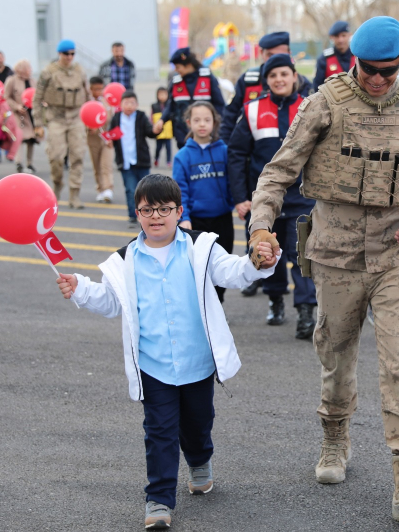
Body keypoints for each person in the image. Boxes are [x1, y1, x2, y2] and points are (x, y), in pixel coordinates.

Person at [247, 16, 399, 526]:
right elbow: (277, 172)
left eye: (388, 71)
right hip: (336, 254)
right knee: (336, 358)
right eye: (369, 70)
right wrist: (259, 229)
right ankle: (334, 438)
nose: (378, 80)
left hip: (395, 255)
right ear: (354, 61)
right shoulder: (325, 103)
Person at [55, 174, 278, 530]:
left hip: (198, 361)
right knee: (159, 430)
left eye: (164, 209)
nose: (156, 216)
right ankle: (158, 499)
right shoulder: (125, 259)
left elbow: (234, 272)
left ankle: (200, 458)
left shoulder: (200, 248)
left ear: (179, 212)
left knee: (198, 422)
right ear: (137, 212)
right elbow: (113, 302)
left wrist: (258, 261)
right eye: (147, 209)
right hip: (153, 364)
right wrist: (79, 288)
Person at [228, 54, 317, 339]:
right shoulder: (252, 110)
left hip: (303, 199)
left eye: (284, 74)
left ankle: (306, 312)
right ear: (266, 81)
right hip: (265, 202)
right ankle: (275, 300)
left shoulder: (311, 107)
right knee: (268, 253)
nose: (279, 79)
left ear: (294, 76)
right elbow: (237, 155)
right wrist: (242, 197)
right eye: (273, 75)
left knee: (303, 255)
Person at [172, 101, 233, 303]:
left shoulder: (224, 151)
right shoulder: (183, 156)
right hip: (196, 222)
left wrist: (238, 203)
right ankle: (202, 305)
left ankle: (218, 303)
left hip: (222, 219)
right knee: (199, 267)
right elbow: (180, 190)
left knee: (222, 265)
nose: (202, 124)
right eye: (197, 120)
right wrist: (184, 217)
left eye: (207, 120)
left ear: (214, 122)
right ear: (189, 123)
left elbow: (234, 181)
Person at [219, 32, 313, 142]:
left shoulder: (302, 84)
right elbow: (229, 119)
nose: (275, 60)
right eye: (270, 55)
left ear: (289, 53)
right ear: (261, 53)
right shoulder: (247, 81)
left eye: (280, 55)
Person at [33, 39, 91, 209]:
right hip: (56, 117)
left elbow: (87, 97)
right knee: (56, 156)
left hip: (75, 117)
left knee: (78, 156)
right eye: (66, 54)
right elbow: (37, 99)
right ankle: (57, 185)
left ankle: (75, 194)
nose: (70, 57)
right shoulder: (48, 72)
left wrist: (91, 122)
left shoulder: (80, 71)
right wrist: (37, 123)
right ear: (59, 54)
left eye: (72, 53)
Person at [152, 48, 225, 149]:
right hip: (183, 137)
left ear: (189, 65)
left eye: (178, 67)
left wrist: (218, 128)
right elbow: (171, 106)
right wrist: (162, 120)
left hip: (207, 136)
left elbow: (220, 105)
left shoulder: (207, 78)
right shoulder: (176, 82)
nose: (176, 70)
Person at [109, 91, 158, 228]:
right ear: (121, 104)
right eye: (126, 103)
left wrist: (155, 130)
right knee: (130, 190)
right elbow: (111, 135)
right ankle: (133, 215)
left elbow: (150, 132)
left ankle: (147, 215)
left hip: (141, 160)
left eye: (132, 103)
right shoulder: (116, 118)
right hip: (125, 161)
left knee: (146, 190)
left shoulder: (141, 117)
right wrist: (109, 141)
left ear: (137, 104)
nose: (129, 106)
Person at [3, 59, 38, 174]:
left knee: (31, 139)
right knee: (20, 138)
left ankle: (30, 163)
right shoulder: (12, 80)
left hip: (31, 114)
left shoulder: (33, 81)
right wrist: (17, 107)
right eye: (28, 68)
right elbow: (6, 97)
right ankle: (19, 162)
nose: (30, 70)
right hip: (18, 115)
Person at [86, 76, 115, 203]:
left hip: (107, 136)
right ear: (90, 89)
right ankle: (100, 189)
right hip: (92, 137)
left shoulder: (107, 102)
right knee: (96, 164)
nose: (99, 92)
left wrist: (112, 137)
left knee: (106, 164)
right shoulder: (86, 102)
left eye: (101, 89)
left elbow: (114, 120)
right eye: (96, 89)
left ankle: (108, 188)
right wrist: (88, 128)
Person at [313, 21, 355, 90]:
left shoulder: (358, 57)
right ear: (332, 37)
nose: (340, 40)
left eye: (343, 35)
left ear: (349, 35)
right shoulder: (324, 59)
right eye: (337, 36)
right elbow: (317, 86)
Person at [151, 87, 173, 167]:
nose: (162, 96)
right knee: (158, 147)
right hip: (159, 131)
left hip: (168, 131)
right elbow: (151, 117)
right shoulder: (154, 106)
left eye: (164, 94)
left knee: (168, 147)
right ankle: (156, 159)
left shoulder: (170, 106)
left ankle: (168, 161)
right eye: (160, 94)